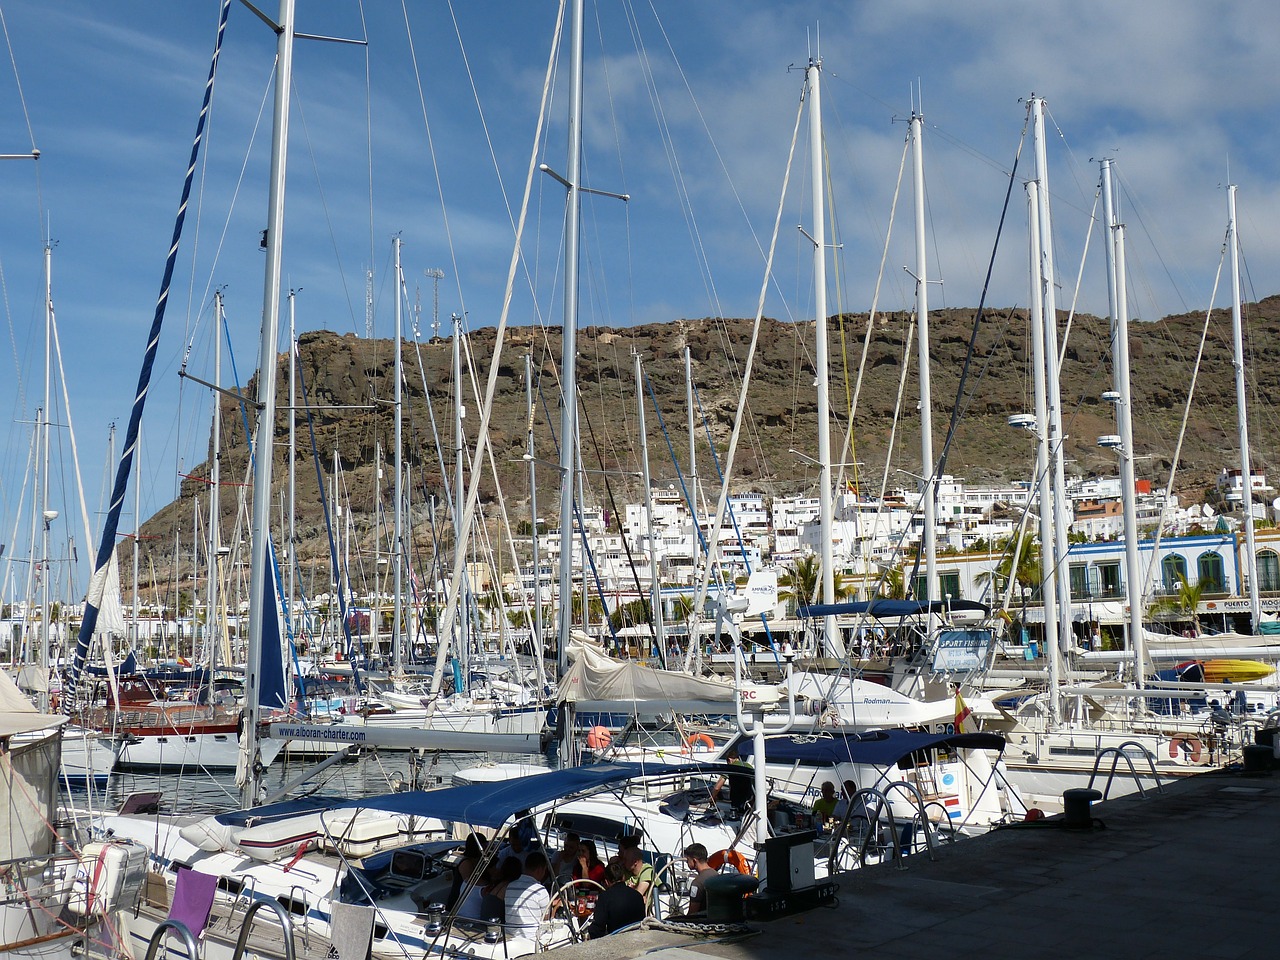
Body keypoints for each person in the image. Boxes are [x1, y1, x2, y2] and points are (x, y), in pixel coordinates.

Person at [583, 857, 645, 940]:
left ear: (606, 882)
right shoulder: (637, 895)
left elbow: (597, 928)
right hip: (637, 938)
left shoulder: (605, 897)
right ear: (623, 877)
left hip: (617, 940)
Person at [504, 851, 552, 939]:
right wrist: (556, 907)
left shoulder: (510, 886)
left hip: (510, 935)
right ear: (540, 870)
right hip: (532, 937)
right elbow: (546, 919)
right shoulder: (540, 890)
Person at [681, 844, 717, 916]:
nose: (687, 863)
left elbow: (692, 913)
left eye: (687, 860)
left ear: (694, 861)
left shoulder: (697, 883)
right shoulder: (716, 874)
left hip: (702, 922)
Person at [620, 845, 655, 914]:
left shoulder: (647, 871)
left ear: (635, 862)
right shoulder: (626, 871)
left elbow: (637, 896)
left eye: (625, 859)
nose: (623, 862)